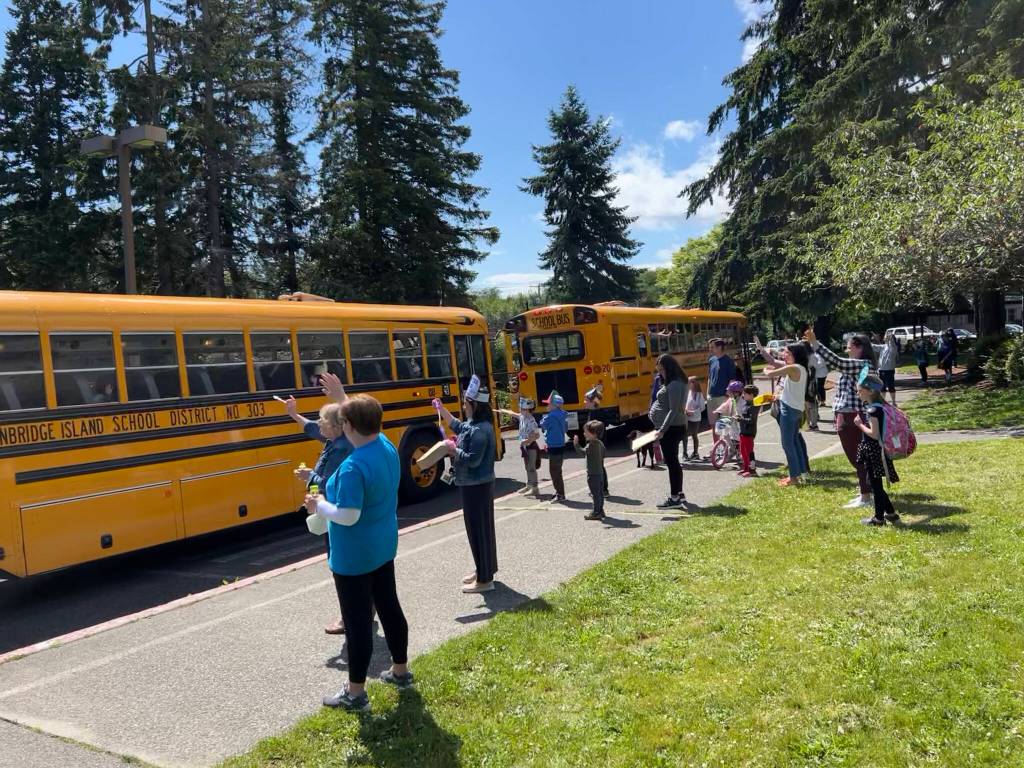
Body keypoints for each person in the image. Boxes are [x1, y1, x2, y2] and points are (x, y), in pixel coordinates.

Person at [305, 395, 411, 712]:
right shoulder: (386, 447)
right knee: (389, 607)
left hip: (353, 556)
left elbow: (348, 515)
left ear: (349, 426)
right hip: (383, 545)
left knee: (357, 623)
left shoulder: (353, 467)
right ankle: (401, 671)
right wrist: (343, 396)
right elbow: (365, 417)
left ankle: (355, 694)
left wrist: (319, 505)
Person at [284, 396, 353, 635]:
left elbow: (330, 483)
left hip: (335, 511)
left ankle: (348, 616)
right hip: (333, 510)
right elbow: (312, 428)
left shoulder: (341, 449)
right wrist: (294, 414)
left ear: (336, 426)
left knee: (340, 564)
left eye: (322, 421)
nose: (319, 425)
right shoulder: (335, 440)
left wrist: (309, 476)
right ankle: (362, 609)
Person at [435, 381, 498, 594]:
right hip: (475, 485)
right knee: (482, 530)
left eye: (465, 403)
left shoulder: (479, 430)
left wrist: (453, 450)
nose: (463, 407)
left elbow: (473, 460)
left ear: (474, 405)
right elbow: (458, 426)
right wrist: (441, 409)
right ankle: (484, 570)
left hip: (476, 486)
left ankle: (485, 580)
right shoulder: (475, 425)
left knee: (478, 531)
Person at [804, 329, 878, 508]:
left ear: (859, 347)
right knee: (858, 457)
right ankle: (866, 492)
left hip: (852, 415)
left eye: (849, 347)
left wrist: (815, 343)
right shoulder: (859, 365)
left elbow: (837, 362)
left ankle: (866, 496)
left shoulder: (862, 364)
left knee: (858, 457)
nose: (847, 350)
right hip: (848, 414)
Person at [854, 374, 900, 526]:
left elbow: (874, 434)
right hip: (879, 450)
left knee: (875, 486)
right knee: (875, 484)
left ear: (870, 391)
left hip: (874, 451)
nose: (858, 393)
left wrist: (860, 425)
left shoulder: (873, 410)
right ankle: (891, 514)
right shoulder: (881, 407)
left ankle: (879, 519)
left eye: (860, 391)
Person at [764, 343, 810, 487]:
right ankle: (802, 472)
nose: (784, 355)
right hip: (795, 409)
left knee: (787, 444)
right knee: (794, 441)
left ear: (795, 354)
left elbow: (769, 374)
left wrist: (765, 369)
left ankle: (793, 478)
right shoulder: (801, 368)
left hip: (788, 410)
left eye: (787, 353)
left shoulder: (793, 367)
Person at [649, 354, 688, 509]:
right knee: (673, 462)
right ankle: (679, 493)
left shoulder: (676, 384)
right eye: (658, 370)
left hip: (672, 429)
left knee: (672, 463)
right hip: (672, 427)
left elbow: (673, 410)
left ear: (669, 368)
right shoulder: (674, 382)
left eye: (662, 370)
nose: (660, 373)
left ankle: (674, 498)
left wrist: (662, 430)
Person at [497, 397, 541, 498]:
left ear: (528, 410)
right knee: (527, 467)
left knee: (532, 468)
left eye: (522, 409)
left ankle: (535, 488)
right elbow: (513, 413)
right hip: (524, 447)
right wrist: (503, 411)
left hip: (531, 447)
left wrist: (528, 441)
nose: (520, 410)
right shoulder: (522, 417)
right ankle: (529, 485)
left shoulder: (531, 421)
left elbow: (537, 435)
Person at [573, 420, 607, 521]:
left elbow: (582, 452)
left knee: (595, 494)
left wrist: (576, 444)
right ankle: (600, 510)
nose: (584, 433)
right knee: (600, 493)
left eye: (586, 432)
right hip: (600, 473)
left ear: (594, 433)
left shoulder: (591, 444)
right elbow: (604, 453)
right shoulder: (600, 443)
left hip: (593, 474)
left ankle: (596, 512)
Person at [540, 391, 569, 502]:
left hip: (553, 446)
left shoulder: (551, 416)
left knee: (554, 471)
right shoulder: (563, 415)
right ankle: (558, 491)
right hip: (560, 444)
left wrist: (544, 418)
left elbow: (543, 424)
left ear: (554, 405)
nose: (547, 406)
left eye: (549, 404)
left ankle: (560, 494)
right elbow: (565, 429)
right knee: (557, 470)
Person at [706, 338, 737, 428]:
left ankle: (726, 438)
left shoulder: (728, 361)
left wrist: (727, 394)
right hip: (711, 396)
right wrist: (707, 394)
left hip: (723, 397)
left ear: (719, 347)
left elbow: (732, 379)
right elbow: (710, 378)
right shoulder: (711, 360)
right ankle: (716, 438)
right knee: (713, 424)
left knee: (724, 424)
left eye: (712, 347)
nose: (710, 349)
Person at [737, 384, 760, 477]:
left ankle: (752, 470)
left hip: (749, 432)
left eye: (745, 394)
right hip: (743, 431)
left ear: (751, 395)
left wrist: (741, 419)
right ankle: (746, 468)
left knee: (749, 451)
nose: (743, 395)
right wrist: (739, 417)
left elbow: (751, 420)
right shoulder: (746, 404)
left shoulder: (754, 406)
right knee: (743, 451)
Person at [683, 376, 706, 461]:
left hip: (695, 418)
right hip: (687, 417)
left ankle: (695, 453)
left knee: (694, 435)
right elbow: (685, 403)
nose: (688, 385)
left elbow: (702, 407)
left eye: (689, 383)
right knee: (684, 435)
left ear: (694, 383)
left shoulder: (699, 395)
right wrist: (686, 410)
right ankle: (685, 454)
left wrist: (693, 412)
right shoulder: (688, 393)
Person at [877, 331, 899, 405]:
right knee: (882, 387)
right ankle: (883, 402)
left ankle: (894, 402)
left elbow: (891, 343)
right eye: (885, 336)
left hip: (889, 370)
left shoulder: (893, 347)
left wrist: (890, 336)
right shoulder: (883, 347)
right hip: (881, 370)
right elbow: (873, 346)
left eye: (887, 336)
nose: (885, 337)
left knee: (891, 386)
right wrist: (865, 342)